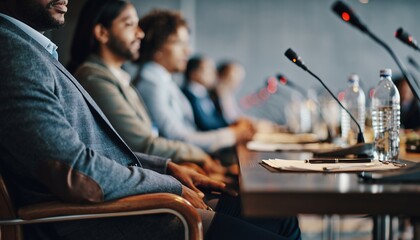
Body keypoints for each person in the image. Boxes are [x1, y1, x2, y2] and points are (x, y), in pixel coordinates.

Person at [0, 0, 301, 239]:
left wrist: (168, 167)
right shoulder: (15, 54)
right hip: (99, 219)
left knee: (282, 215)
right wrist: (168, 184)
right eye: (129, 25)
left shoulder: (33, 50)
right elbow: (76, 171)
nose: (140, 33)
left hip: (123, 206)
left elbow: (97, 153)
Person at [68, 0, 224, 176]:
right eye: (129, 24)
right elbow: (144, 144)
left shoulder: (119, 77)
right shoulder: (94, 78)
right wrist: (199, 156)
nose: (140, 33)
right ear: (102, 32)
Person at [134, 9, 255, 154]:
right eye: (179, 43)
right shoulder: (150, 82)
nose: (188, 51)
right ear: (156, 47)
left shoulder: (164, 79)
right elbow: (176, 138)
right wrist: (232, 135)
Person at [183, 56, 229, 131]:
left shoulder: (205, 94)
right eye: (209, 70)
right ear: (194, 73)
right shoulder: (189, 96)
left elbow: (217, 117)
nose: (215, 73)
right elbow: (203, 123)